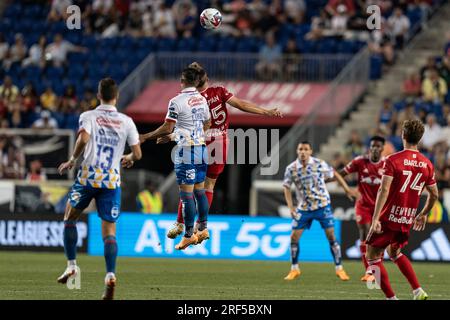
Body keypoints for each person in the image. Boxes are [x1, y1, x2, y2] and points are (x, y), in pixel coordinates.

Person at [159, 62, 282, 240]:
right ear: (207, 79)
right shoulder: (219, 91)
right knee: (209, 186)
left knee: (190, 185)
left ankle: (179, 223)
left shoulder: (189, 99)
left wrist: (171, 137)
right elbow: (241, 105)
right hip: (221, 142)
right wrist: (266, 112)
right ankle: (201, 227)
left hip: (198, 142)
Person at [56, 78, 142, 300]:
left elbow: (83, 138)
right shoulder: (126, 121)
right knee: (109, 233)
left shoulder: (89, 116)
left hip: (88, 177)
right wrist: (129, 158)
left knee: (69, 218)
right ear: (117, 97)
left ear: (98, 94)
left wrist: (73, 159)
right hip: (111, 181)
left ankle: (72, 265)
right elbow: (138, 154)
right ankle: (110, 274)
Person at [365, 119, 438, 300]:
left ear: (403, 135)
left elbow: (384, 189)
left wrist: (375, 218)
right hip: (407, 218)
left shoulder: (392, 160)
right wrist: (423, 214)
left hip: (389, 217)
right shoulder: (427, 164)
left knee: (371, 256)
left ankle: (392, 298)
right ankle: (417, 291)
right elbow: (434, 195)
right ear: (420, 138)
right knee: (394, 252)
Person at [140, 67, 211, 250]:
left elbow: (167, 127)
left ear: (182, 80)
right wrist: (183, 136)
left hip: (186, 151)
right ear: (196, 82)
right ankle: (202, 228)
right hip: (201, 149)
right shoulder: (202, 99)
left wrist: (146, 136)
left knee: (187, 196)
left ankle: (188, 235)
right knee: (200, 192)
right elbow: (207, 123)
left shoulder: (176, 101)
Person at [283, 141, 358, 281]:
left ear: (310, 151)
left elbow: (335, 174)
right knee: (293, 237)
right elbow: (286, 187)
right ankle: (294, 269)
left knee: (331, 236)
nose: (303, 152)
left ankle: (339, 268)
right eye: (300, 149)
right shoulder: (291, 168)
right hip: (304, 208)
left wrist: (347, 189)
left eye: (306, 149)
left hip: (322, 205)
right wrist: (291, 207)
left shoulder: (319, 164)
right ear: (297, 151)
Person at [339, 136, 385, 281]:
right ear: (369, 147)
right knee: (365, 232)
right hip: (363, 205)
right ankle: (369, 272)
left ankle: (375, 272)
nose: (375, 148)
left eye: (378, 146)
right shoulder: (360, 161)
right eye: (373, 146)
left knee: (377, 240)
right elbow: (341, 174)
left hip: (379, 207)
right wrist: (346, 189)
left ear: (382, 149)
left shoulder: (387, 164)